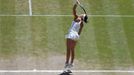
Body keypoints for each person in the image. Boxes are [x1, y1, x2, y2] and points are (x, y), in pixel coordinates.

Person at [63, 0, 88, 73]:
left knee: (68, 49)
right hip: (76, 36)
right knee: (72, 50)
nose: (82, 14)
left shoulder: (77, 18)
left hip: (71, 34)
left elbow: (73, 10)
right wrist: (76, 39)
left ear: (82, 16)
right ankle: (71, 64)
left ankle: (67, 63)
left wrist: (76, 4)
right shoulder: (82, 24)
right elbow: (79, 33)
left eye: (83, 14)